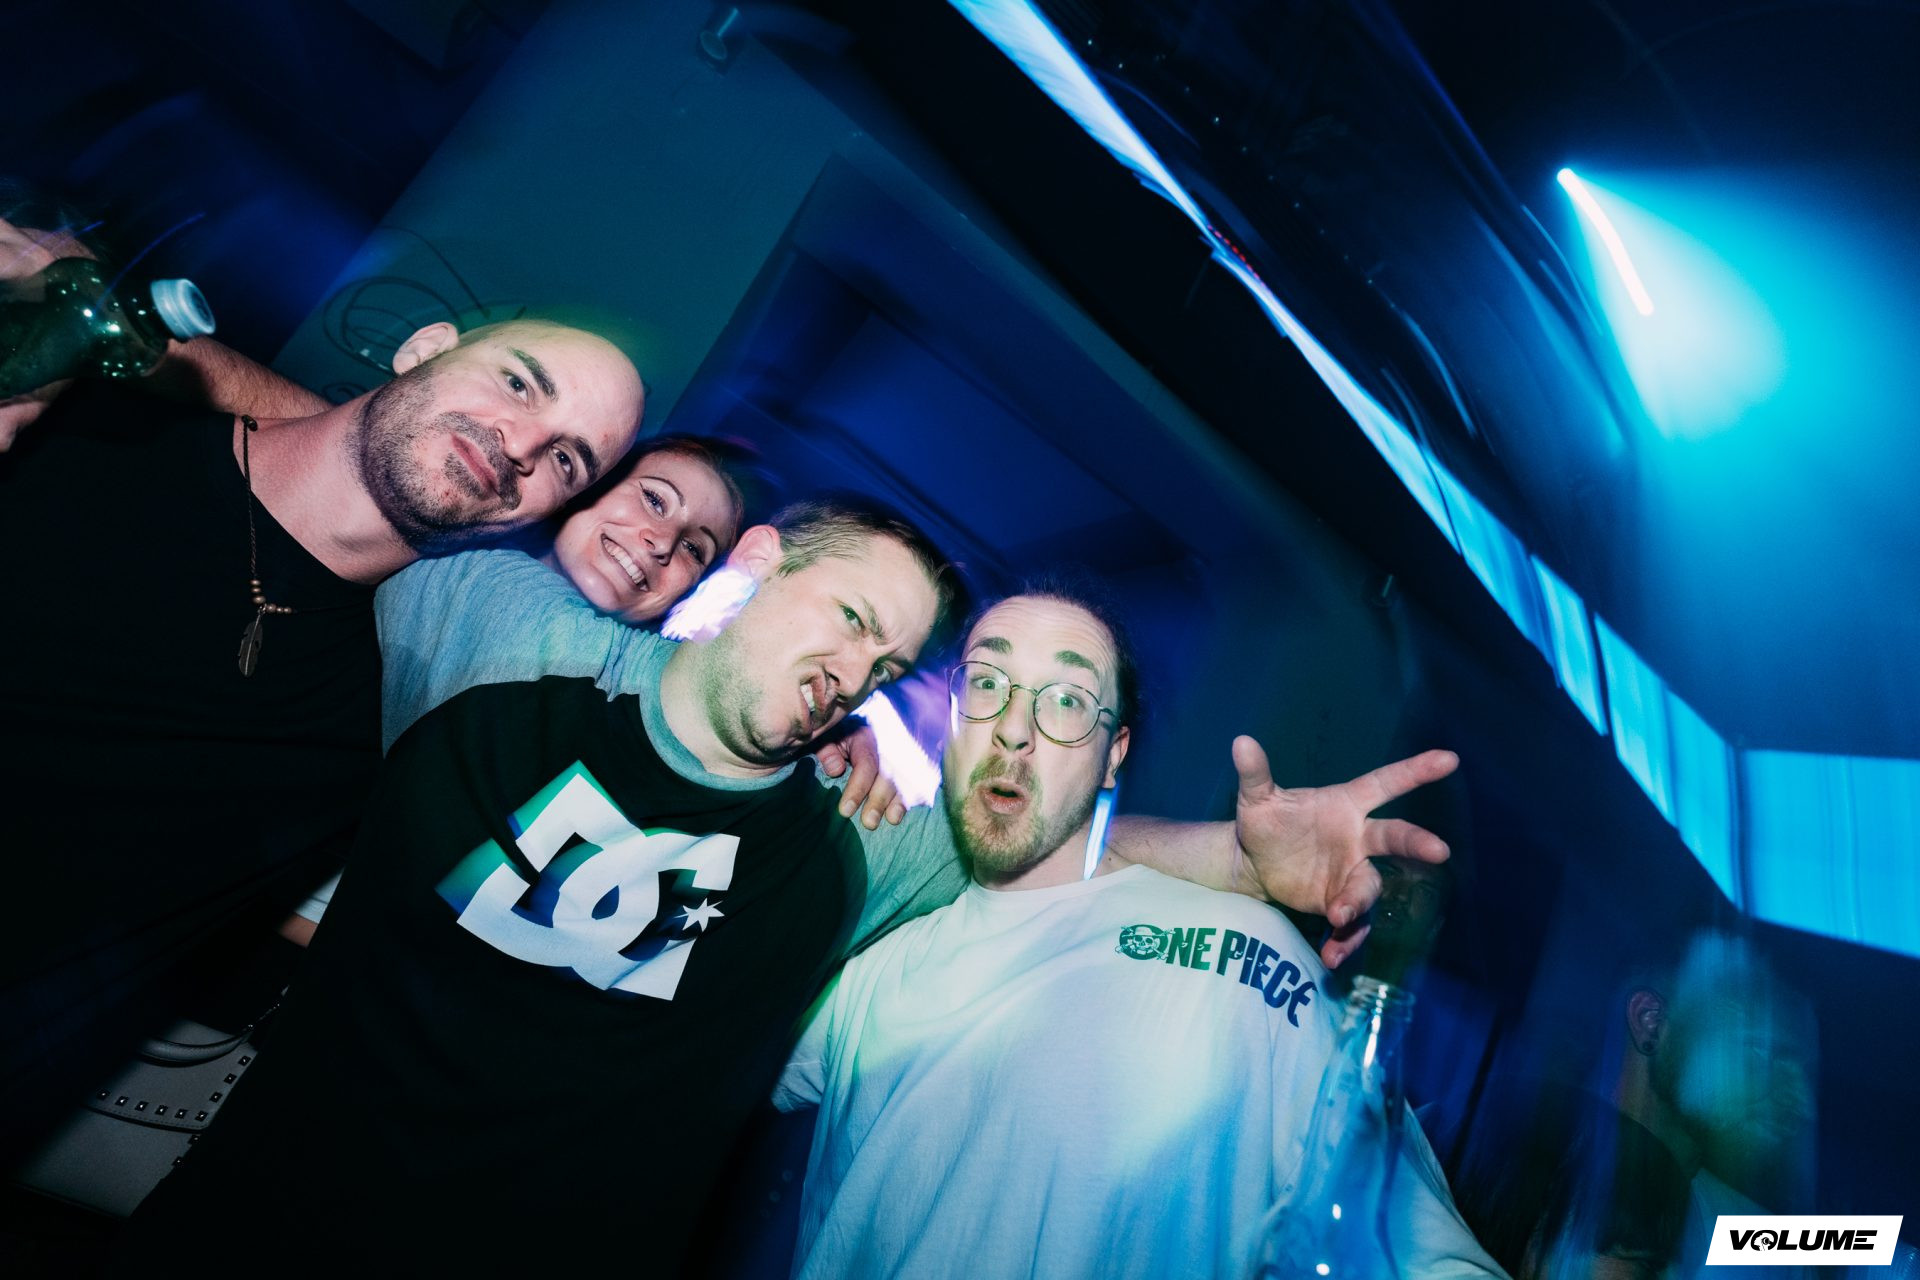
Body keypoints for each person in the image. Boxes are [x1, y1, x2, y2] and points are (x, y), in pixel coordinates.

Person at [127, 496, 961, 1270]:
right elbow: (326, 473)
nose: (855, 676)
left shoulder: (863, 843)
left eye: (886, 670)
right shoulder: (510, 635)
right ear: (758, 562)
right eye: (853, 619)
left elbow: (1032, 828)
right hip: (238, 1228)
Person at [0, 211, 649, 1158]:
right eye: (518, 382)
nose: (521, 443)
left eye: (563, 460)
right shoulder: (81, 425)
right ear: (424, 348)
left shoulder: (398, 717)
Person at [773, 587, 1505, 1278]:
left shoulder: (1242, 950)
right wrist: (784, 767)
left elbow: (1413, 1242)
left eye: (1067, 700)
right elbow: (708, 1050)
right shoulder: (874, 946)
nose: (1015, 729)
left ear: (1112, 755)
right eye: (988, 683)